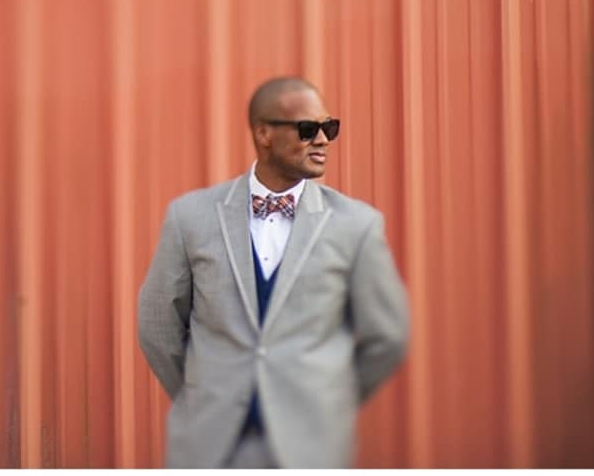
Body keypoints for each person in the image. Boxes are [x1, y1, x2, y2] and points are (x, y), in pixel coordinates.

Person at [137, 76, 410, 468]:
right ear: (263, 134)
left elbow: (387, 335)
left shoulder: (356, 225)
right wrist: (202, 396)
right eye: (308, 129)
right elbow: (157, 322)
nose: (323, 140)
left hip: (310, 450)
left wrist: (327, 400)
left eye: (330, 128)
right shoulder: (190, 217)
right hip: (209, 447)